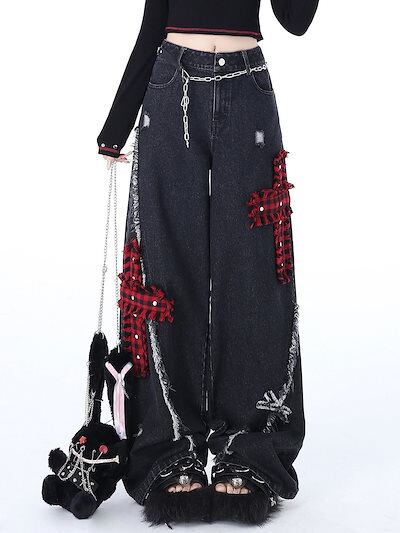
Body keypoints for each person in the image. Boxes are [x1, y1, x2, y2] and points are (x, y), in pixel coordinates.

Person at [97, 0, 319, 526]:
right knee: (163, 276)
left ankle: (251, 450)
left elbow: (296, 20)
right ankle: (169, 448)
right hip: (169, 85)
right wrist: (116, 125)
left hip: (247, 88)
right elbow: (153, 25)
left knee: (257, 273)